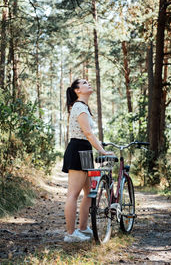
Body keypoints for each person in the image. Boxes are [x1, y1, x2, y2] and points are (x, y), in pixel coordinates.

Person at [62, 78, 113, 243]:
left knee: (89, 193)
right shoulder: (78, 106)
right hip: (78, 149)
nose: (88, 83)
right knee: (73, 194)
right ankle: (70, 234)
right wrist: (102, 151)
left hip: (85, 150)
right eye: (84, 82)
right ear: (77, 90)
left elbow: (89, 135)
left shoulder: (83, 107)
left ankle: (83, 228)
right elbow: (88, 133)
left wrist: (98, 148)